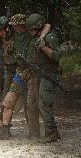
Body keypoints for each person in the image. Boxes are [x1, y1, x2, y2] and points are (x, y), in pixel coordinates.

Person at [0, 14, 51, 140]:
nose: (15, 28)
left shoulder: (29, 32)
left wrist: (42, 37)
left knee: (30, 104)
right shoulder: (10, 34)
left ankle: (34, 133)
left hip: (32, 72)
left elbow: (47, 25)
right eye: (14, 26)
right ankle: (4, 130)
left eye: (17, 26)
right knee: (7, 102)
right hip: (19, 72)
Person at [25, 13, 61, 143]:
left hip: (49, 74)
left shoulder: (50, 37)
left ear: (38, 26)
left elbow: (56, 55)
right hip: (39, 74)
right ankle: (50, 132)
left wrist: (43, 47)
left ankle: (52, 133)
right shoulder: (37, 37)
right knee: (38, 104)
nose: (29, 32)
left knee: (45, 104)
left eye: (31, 29)